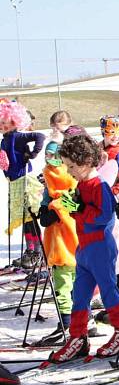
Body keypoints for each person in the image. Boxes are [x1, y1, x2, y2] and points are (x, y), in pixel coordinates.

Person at [47, 134, 119, 362]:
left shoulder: (99, 185)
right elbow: (77, 210)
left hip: (100, 247)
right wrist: (64, 207)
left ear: (85, 162)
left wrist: (80, 209)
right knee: (79, 295)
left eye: (72, 166)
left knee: (108, 290)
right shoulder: (82, 184)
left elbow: (104, 215)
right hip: (83, 248)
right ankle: (78, 337)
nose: (69, 171)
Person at [33, 140, 82, 346]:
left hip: (75, 237)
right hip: (60, 240)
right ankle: (69, 321)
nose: (50, 160)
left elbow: (78, 205)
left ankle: (73, 322)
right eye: (47, 155)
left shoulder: (73, 181)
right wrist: (46, 211)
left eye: (55, 156)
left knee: (75, 282)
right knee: (64, 282)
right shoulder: (50, 183)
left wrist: (59, 207)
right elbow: (45, 206)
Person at [1, 100, 45, 270]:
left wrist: (33, 154)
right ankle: (30, 250)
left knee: (31, 218)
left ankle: (38, 252)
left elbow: (40, 136)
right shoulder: (4, 140)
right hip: (15, 182)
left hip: (26, 181)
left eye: (5, 123)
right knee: (24, 218)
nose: (2, 126)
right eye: (1, 123)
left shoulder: (18, 137)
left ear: (14, 122)